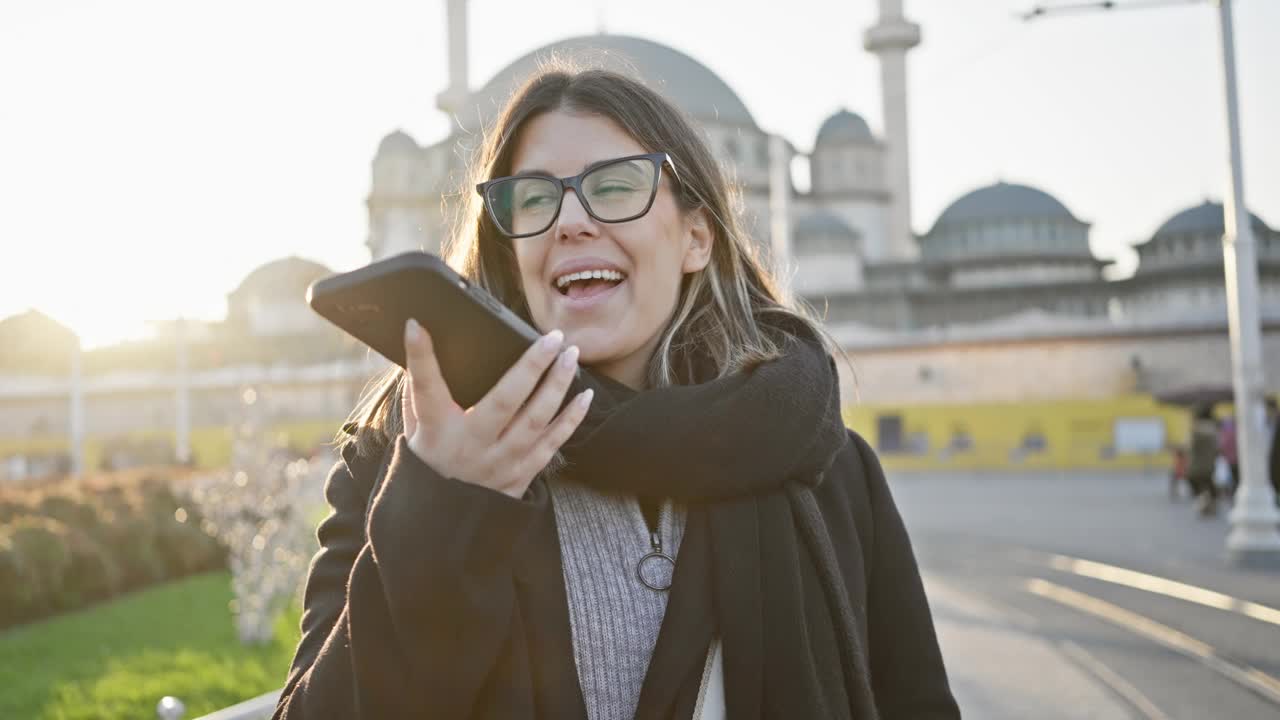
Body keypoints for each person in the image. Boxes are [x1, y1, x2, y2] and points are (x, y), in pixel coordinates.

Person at [272, 65, 959, 719]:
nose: (571, 221)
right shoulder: (406, 459)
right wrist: (446, 507)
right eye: (535, 197)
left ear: (696, 237)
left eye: (617, 186)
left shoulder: (827, 467)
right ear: (509, 246)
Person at [1187, 404, 1220, 518]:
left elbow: (1190, 447)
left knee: (1200, 488)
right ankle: (1209, 506)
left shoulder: (1195, 431)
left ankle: (1205, 506)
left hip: (1196, 466)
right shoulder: (1214, 430)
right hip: (1210, 465)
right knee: (1209, 487)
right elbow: (1217, 449)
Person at [1218, 415, 1238, 499]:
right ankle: (1234, 492)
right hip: (1236, 459)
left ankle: (1232, 493)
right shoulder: (1236, 432)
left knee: (1231, 477)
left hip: (1229, 459)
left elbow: (1222, 446)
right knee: (1235, 478)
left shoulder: (1225, 434)